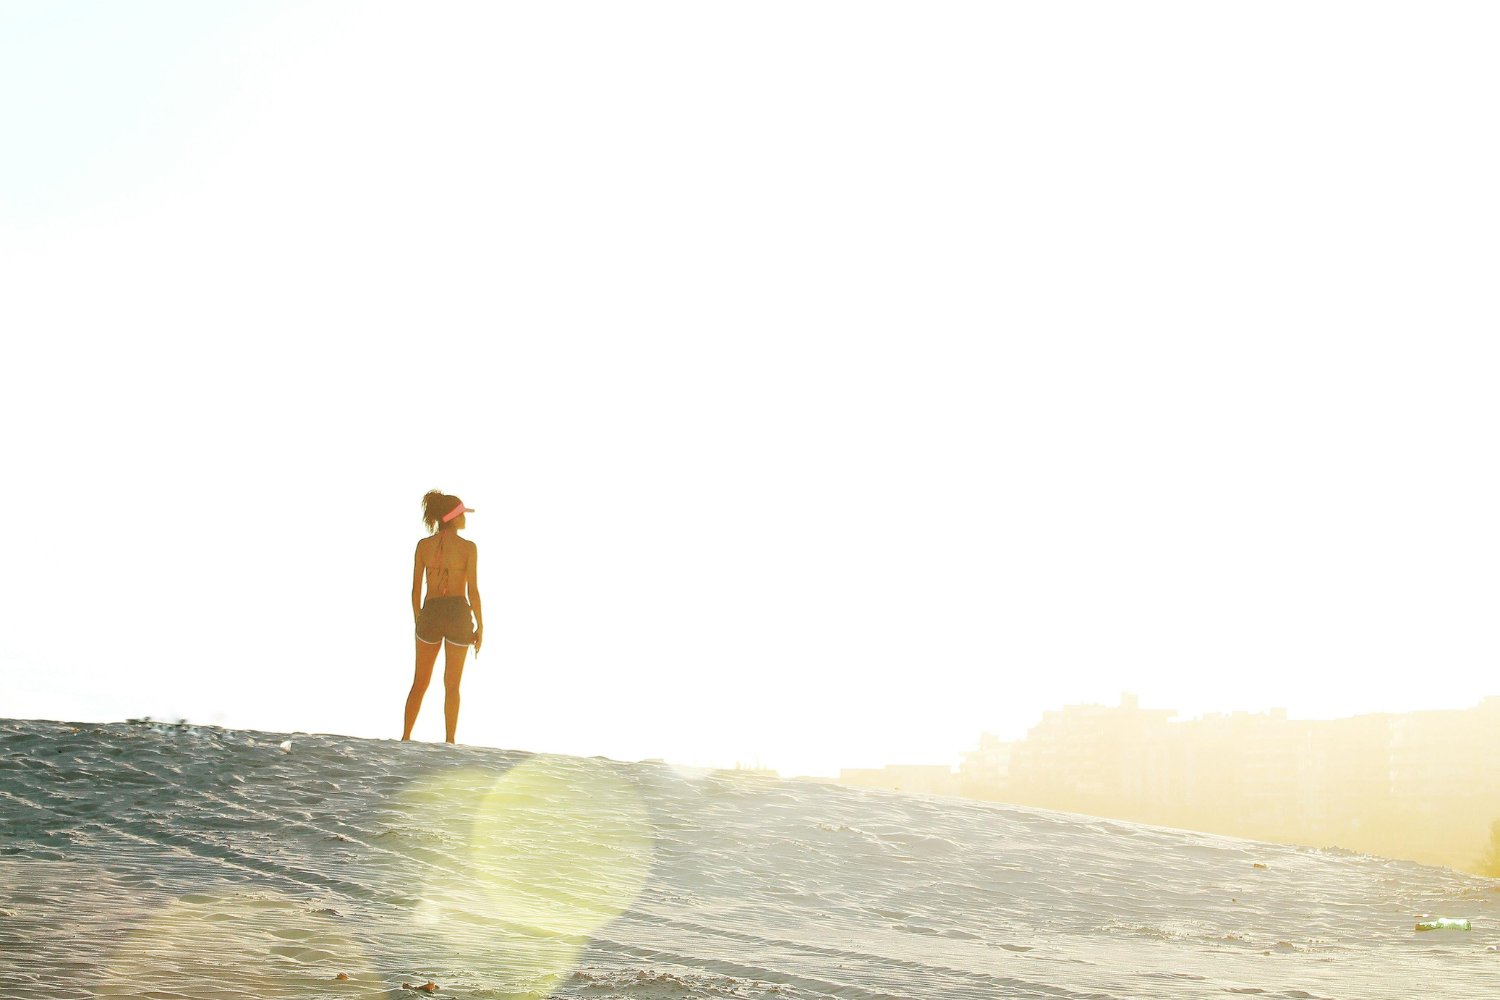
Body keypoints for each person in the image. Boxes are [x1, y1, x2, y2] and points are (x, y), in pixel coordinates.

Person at [404, 490, 483, 742]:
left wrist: (419, 619)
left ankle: (406, 737)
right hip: (458, 612)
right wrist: (480, 625)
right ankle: (449, 741)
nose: (465, 519)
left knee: (420, 682)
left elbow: (416, 589)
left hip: (432, 611)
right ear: (453, 517)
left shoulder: (424, 546)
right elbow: (473, 590)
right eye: (461, 514)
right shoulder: (468, 548)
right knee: (452, 685)